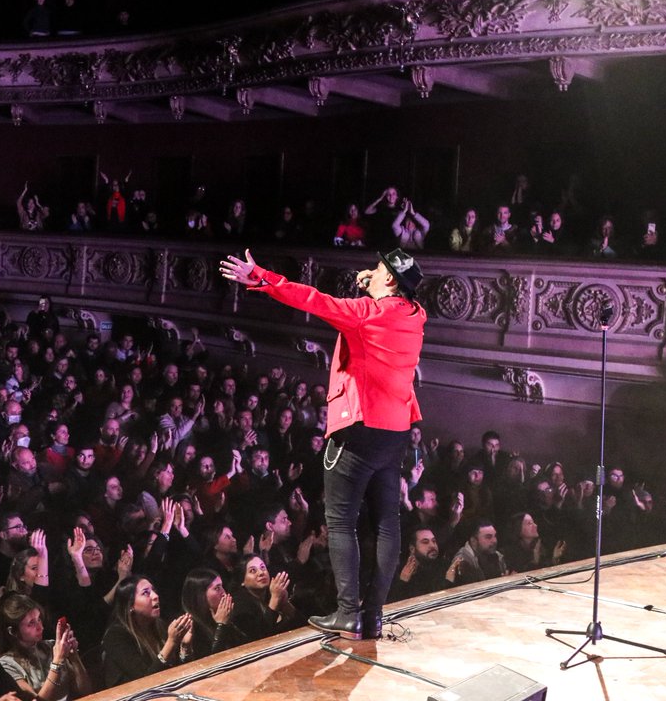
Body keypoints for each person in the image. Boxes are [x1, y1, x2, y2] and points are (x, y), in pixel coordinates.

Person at [219, 247, 425, 639]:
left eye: (379, 268)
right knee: (386, 523)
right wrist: (373, 282)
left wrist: (261, 277)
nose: (372, 270)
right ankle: (374, 615)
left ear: (391, 281)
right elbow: (388, 301)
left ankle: (348, 613)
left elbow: (312, 299)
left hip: (360, 425)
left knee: (341, 522)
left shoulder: (367, 314)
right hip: (395, 430)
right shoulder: (416, 315)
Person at [101, 575, 192, 688]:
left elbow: (178, 674)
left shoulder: (159, 625)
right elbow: (145, 681)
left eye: (153, 591)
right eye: (146, 593)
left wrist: (185, 647)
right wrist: (171, 642)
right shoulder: (115, 636)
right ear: (130, 605)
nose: (155, 596)